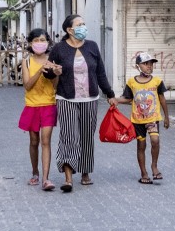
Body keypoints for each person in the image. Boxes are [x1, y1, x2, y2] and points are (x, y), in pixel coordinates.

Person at [47, 14, 115, 192]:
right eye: (80, 24)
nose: (84, 27)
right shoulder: (59, 49)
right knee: (69, 136)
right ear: (70, 30)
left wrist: (109, 93)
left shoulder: (92, 46)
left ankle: (85, 172)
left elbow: (100, 73)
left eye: (84, 23)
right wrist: (54, 72)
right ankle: (68, 178)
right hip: (66, 98)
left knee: (86, 137)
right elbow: (48, 72)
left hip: (90, 99)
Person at [111, 52, 170, 184]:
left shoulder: (157, 81)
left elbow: (162, 99)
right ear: (138, 66)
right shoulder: (132, 82)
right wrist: (116, 100)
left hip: (153, 118)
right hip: (137, 121)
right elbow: (128, 98)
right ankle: (144, 173)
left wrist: (166, 117)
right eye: (145, 64)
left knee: (155, 140)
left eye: (151, 64)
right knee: (141, 145)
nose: (149, 66)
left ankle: (154, 167)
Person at [18, 28, 58, 192]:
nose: (40, 43)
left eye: (42, 40)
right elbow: (27, 85)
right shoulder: (26, 62)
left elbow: (55, 86)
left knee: (45, 141)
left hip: (48, 104)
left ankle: (45, 179)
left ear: (48, 42)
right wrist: (39, 71)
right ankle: (35, 172)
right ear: (30, 43)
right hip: (32, 105)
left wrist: (56, 73)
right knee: (34, 141)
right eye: (36, 40)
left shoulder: (52, 61)